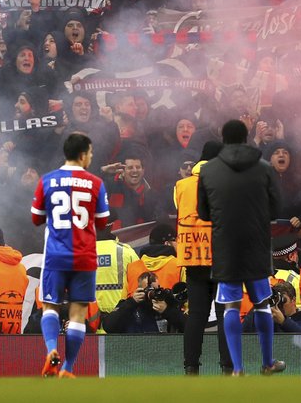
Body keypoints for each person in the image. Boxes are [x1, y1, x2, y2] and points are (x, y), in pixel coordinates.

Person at [198, 119, 284, 376]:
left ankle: (237, 368)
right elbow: (277, 208)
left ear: (223, 138)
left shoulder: (208, 170)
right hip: (256, 243)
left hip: (226, 246)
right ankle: (268, 363)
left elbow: (203, 213)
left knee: (231, 306)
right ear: (246, 137)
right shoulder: (264, 168)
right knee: (262, 304)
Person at [31, 132, 110, 378]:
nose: (92, 157)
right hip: (84, 256)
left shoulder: (47, 180)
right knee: (78, 312)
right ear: (83, 154)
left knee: (50, 306)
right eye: (91, 153)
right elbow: (104, 221)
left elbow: (36, 218)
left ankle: (52, 350)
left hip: (55, 255)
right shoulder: (96, 182)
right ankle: (68, 367)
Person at [173, 139, 232, 375]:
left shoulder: (181, 185)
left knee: (196, 315)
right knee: (225, 313)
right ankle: (228, 366)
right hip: (221, 258)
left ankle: (191, 366)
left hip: (192, 257)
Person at [102, 271, 187, 333]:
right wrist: (132, 302)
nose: (152, 293)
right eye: (148, 290)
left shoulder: (166, 304)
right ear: (139, 289)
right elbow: (108, 327)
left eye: (156, 290)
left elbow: (189, 327)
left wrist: (167, 311)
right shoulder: (130, 305)